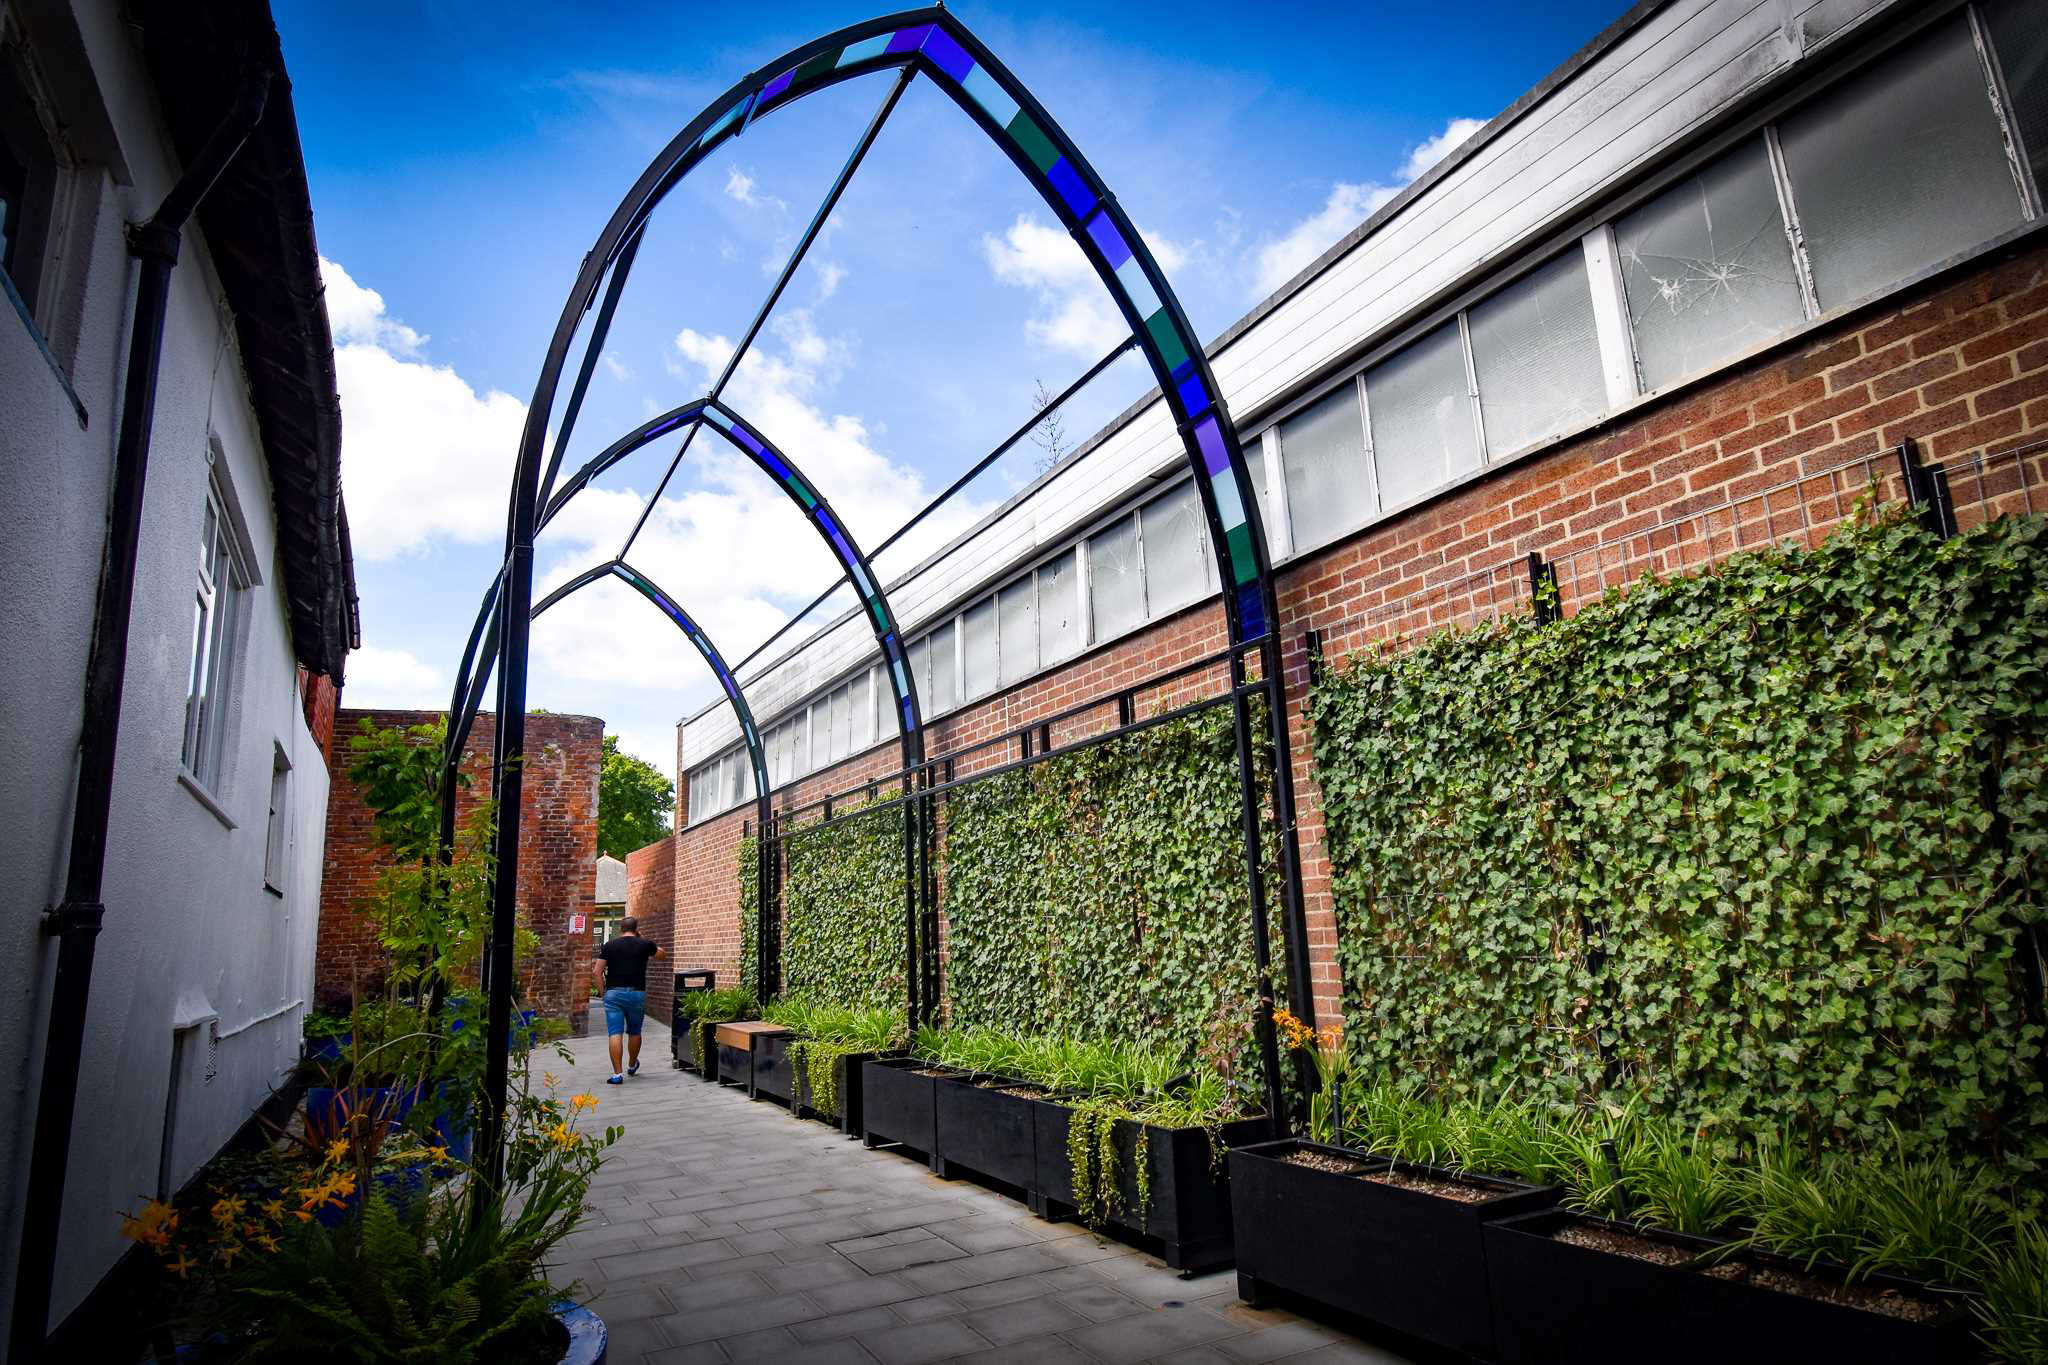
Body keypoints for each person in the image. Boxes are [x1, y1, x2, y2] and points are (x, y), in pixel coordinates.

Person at [592, 917, 663, 1084]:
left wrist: (603, 993)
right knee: (635, 1031)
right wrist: (642, 939)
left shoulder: (610, 945)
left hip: (614, 994)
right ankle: (632, 1064)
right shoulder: (644, 944)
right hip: (636, 993)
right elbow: (662, 954)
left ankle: (617, 1074)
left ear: (620, 929)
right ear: (636, 928)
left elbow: (597, 971)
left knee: (615, 1032)